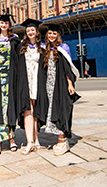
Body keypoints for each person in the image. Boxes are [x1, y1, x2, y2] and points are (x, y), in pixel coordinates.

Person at [34, 23, 80, 156]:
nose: (52, 35)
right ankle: (59, 138)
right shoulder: (45, 49)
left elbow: (68, 68)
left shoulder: (63, 48)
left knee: (61, 109)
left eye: (54, 33)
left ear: (58, 35)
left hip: (60, 84)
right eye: (50, 33)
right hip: (49, 85)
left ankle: (63, 139)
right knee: (51, 110)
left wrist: (70, 84)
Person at [0, 14, 21, 156]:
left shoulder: (15, 40)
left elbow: (19, 60)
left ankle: (12, 139)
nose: (4, 25)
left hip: (10, 80)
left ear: (9, 25)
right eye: (2, 23)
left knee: (10, 109)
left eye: (6, 23)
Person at [14, 18, 44, 155]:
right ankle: (29, 142)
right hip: (26, 81)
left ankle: (36, 139)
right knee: (28, 111)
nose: (31, 32)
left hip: (38, 81)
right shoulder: (21, 47)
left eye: (32, 30)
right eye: (28, 30)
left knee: (36, 112)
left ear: (36, 32)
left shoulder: (42, 48)